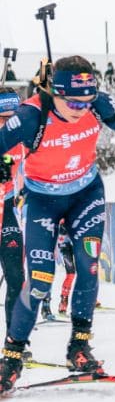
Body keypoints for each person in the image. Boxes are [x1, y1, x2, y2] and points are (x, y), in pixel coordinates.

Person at [0, 56, 115, 393]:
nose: (80, 109)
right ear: (52, 92)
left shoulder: (96, 104)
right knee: (40, 279)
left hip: (85, 195)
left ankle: (79, 347)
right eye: (72, 102)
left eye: (86, 101)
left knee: (87, 267)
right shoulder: (31, 115)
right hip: (41, 199)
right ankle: (11, 358)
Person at [0, 88, 24, 333]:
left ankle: (13, 344)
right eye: (2, 119)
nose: (8, 124)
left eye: (12, 118)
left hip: (6, 208)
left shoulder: (21, 137)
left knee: (17, 279)